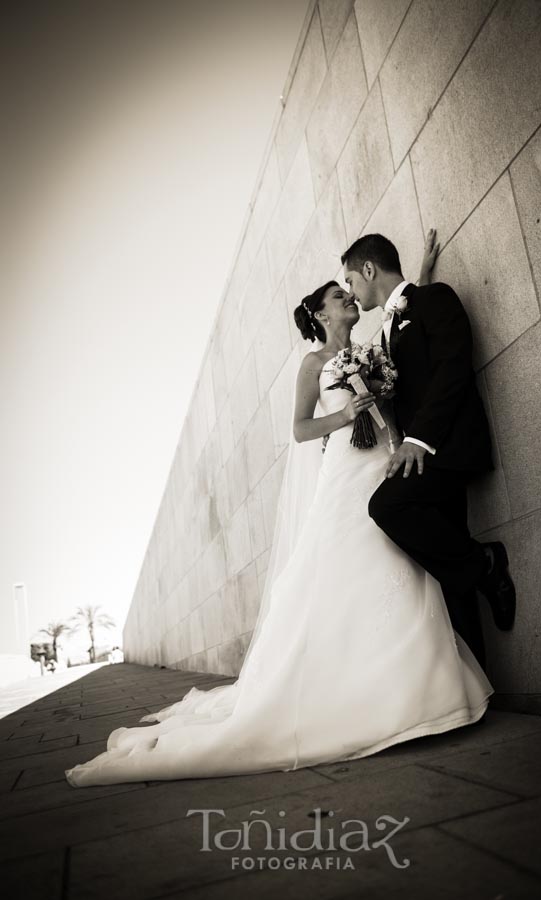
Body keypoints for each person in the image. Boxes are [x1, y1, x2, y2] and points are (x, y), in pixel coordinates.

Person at [64, 233, 492, 788]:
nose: (347, 299)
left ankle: (421, 685)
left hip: (387, 462)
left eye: (348, 290)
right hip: (346, 469)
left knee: (400, 562)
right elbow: (299, 430)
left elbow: (407, 327)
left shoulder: (372, 345)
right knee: (348, 562)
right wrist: (345, 416)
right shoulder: (313, 364)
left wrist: (421, 277)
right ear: (319, 314)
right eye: (338, 297)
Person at [341, 233, 517, 671]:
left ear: (368, 270)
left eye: (350, 280)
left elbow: (451, 368)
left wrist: (418, 439)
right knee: (448, 567)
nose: (350, 292)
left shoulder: (434, 299)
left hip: (446, 446)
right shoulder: (384, 331)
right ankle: (480, 687)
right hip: (421, 455)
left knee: (386, 506)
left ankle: (486, 562)